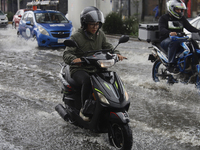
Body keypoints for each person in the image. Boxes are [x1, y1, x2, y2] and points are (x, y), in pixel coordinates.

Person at [63, 6, 127, 121]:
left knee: (110, 78)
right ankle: (84, 109)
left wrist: (117, 54)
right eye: (92, 24)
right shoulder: (77, 36)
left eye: (97, 24)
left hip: (96, 67)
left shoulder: (100, 34)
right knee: (88, 80)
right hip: (79, 69)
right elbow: (67, 54)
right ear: (85, 24)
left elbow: (109, 48)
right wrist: (74, 59)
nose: (95, 27)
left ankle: (111, 104)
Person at [159, 0, 200, 73]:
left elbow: (190, 28)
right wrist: (170, 33)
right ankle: (171, 64)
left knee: (192, 43)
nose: (179, 11)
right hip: (166, 40)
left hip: (180, 39)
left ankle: (193, 63)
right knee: (174, 41)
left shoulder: (182, 18)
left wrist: (198, 31)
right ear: (171, 8)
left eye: (180, 9)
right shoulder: (164, 18)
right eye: (177, 9)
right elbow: (161, 29)